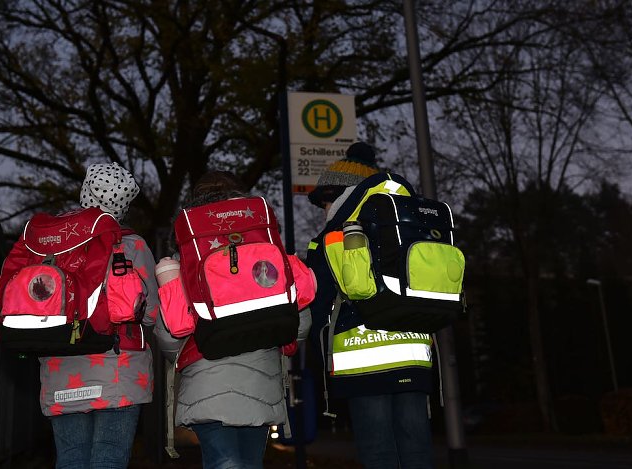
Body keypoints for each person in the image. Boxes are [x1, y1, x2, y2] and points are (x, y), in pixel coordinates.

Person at [155, 170, 315, 469]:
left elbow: (169, 337)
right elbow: (301, 323)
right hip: (261, 383)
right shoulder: (268, 254)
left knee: (223, 464)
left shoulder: (183, 262)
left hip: (206, 387)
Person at [306, 142, 436, 469]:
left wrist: (316, 355)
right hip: (414, 358)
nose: (324, 208)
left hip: (364, 360)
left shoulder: (333, 238)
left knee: (378, 452)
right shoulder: (410, 230)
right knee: (418, 447)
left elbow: (318, 306)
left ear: (343, 195)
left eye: (327, 200)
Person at [37, 162, 159, 469]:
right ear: (125, 205)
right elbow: (151, 313)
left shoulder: (48, 246)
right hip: (119, 371)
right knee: (109, 459)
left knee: (70, 460)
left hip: (61, 367)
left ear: (84, 192)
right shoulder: (132, 246)